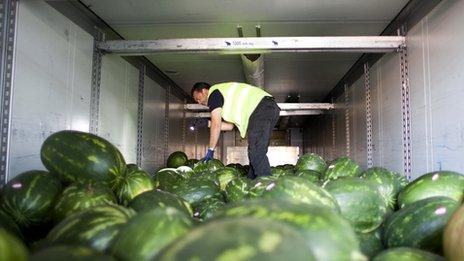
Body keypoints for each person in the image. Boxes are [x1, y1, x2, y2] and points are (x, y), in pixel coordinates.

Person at [191, 82, 280, 179]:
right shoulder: (222, 99)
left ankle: (267, 185)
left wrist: (211, 150)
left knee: (256, 151)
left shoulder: (213, 94)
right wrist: (206, 123)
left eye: (197, 98)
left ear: (204, 91)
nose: (199, 102)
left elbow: (216, 124)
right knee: (256, 152)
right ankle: (252, 182)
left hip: (261, 107)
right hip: (268, 109)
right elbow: (230, 126)